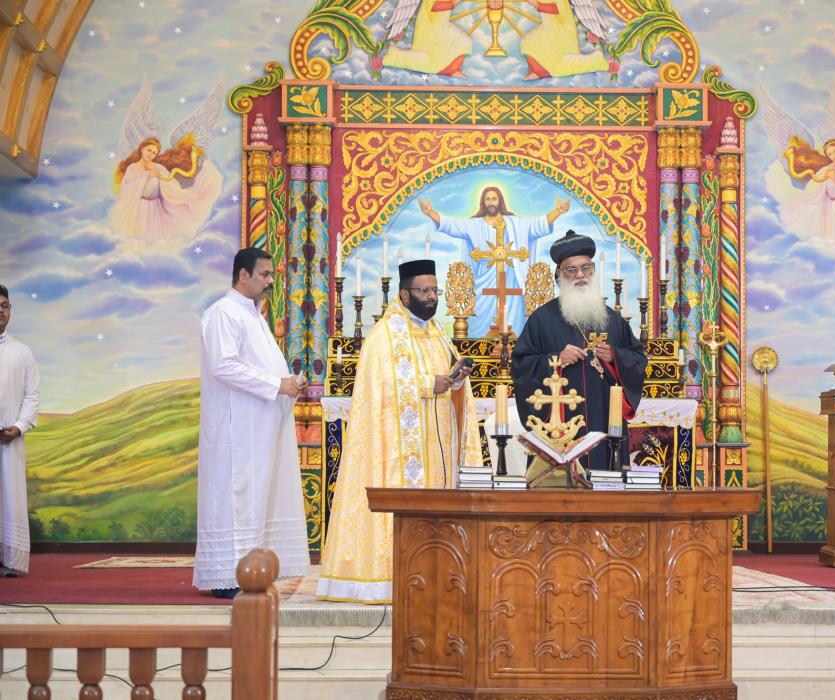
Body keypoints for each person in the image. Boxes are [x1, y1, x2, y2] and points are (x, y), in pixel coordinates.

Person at [318, 259, 482, 603]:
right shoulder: (383, 337)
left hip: (436, 445)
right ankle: (390, 575)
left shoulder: (438, 333)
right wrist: (427, 384)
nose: (432, 297)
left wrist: (456, 379)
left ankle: (438, 571)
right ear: (405, 295)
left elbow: (448, 383)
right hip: (397, 451)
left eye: (435, 290)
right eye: (424, 291)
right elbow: (379, 388)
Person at [193, 248, 310, 598]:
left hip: (258, 426)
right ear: (243, 275)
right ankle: (229, 577)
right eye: (264, 274)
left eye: (272, 274)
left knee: (256, 499)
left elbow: (259, 365)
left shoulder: (252, 315)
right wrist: (277, 385)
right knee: (237, 498)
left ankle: (253, 570)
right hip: (236, 430)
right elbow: (223, 366)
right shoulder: (223, 313)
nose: (271, 281)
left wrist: (289, 382)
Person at [511, 231, 647, 470]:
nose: (580, 275)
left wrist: (615, 357)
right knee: (560, 485)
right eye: (571, 270)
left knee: (605, 479)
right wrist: (556, 360)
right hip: (558, 424)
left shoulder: (612, 319)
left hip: (603, 419)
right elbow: (521, 366)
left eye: (586, 268)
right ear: (559, 275)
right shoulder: (542, 319)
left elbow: (638, 359)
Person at [419, 186, 569, 335]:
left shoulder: (514, 223)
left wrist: (557, 211)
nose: (491, 202)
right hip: (483, 280)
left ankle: (515, 345)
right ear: (483, 202)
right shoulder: (474, 225)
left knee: (514, 319)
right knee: (478, 320)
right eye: (488, 199)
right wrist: (430, 213)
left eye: (494, 199)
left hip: (510, 279)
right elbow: (452, 225)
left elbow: (537, 225)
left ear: (500, 201)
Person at [112, 135, 222, 241]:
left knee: (155, 237)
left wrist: (184, 195)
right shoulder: (132, 168)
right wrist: (149, 175)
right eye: (149, 150)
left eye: (154, 153)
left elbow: (169, 184)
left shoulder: (158, 167)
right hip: (139, 209)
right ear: (142, 148)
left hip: (155, 208)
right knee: (140, 237)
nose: (151, 154)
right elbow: (125, 190)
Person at [0, 285, 39, 577]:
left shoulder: (22, 352)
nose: (0, 311)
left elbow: (32, 395)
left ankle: (7, 559)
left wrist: (20, 426)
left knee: (8, 497)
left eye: (5, 305)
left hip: (8, 439)